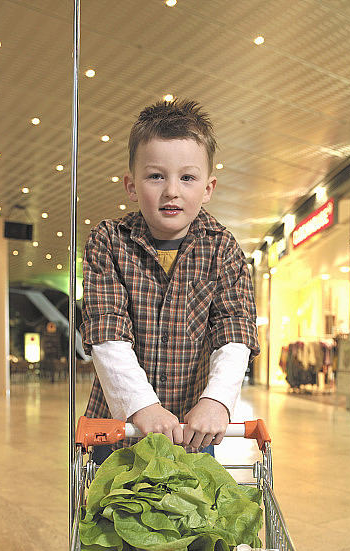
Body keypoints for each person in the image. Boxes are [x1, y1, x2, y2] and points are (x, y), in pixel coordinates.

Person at [81, 98, 259, 456]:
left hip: (192, 432)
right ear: (132, 186)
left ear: (208, 188)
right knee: (110, 508)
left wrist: (218, 401)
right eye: (156, 176)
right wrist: (140, 404)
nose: (172, 190)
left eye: (187, 177)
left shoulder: (223, 248)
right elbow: (106, 330)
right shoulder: (109, 242)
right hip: (119, 429)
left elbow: (234, 329)